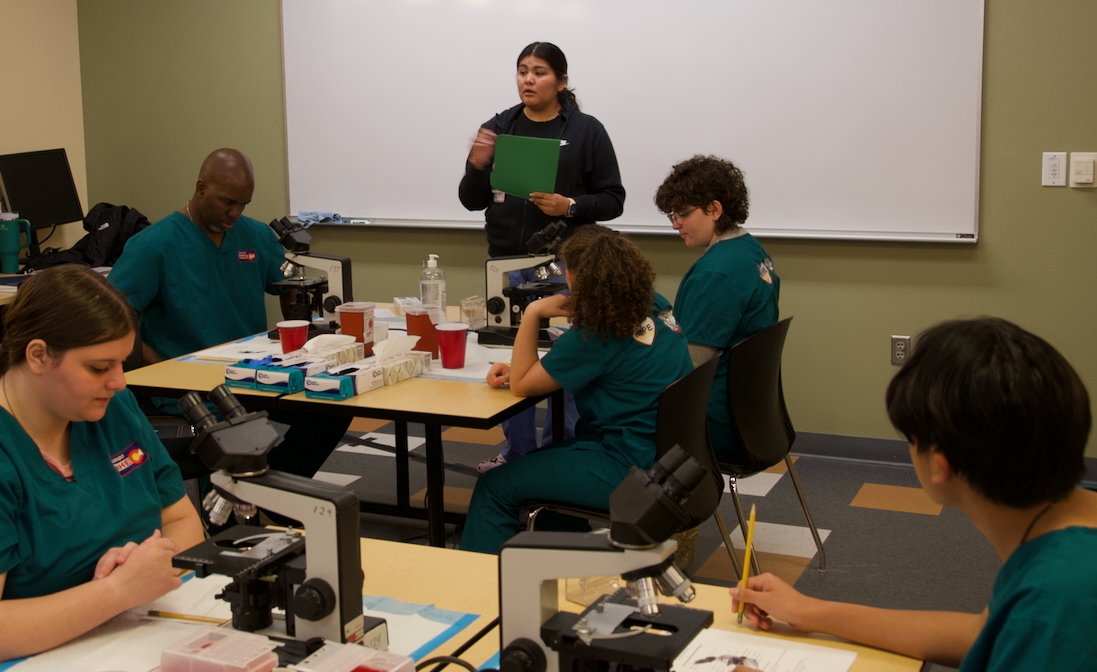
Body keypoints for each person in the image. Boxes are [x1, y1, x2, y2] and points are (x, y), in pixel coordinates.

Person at [0, 265, 204, 672]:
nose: (119, 381)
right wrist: (119, 590)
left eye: (122, 362)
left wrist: (147, 570)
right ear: (38, 355)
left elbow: (182, 521)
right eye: (99, 367)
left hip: (105, 637)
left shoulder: (110, 411)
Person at [729, 317, 1097, 671]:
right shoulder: (1065, 538)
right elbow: (984, 634)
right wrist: (809, 612)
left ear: (939, 464)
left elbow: (1026, 630)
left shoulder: (1052, 606)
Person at [109, 148, 350, 478]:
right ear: (201, 187)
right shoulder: (154, 245)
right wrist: (162, 370)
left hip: (253, 375)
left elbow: (291, 284)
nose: (234, 213)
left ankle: (274, 486)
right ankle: (244, 487)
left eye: (243, 204)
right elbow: (113, 316)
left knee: (331, 408)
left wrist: (299, 339)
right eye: (227, 202)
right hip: (192, 387)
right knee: (231, 435)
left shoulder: (256, 235)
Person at [460, 226, 693, 554]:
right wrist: (528, 372)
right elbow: (604, 366)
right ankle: (566, 562)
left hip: (629, 466)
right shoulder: (655, 304)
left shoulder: (595, 332)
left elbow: (524, 386)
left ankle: (479, 581)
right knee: (542, 464)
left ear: (574, 276)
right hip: (672, 457)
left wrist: (533, 312)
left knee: (494, 485)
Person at [458, 41, 626, 472]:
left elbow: (613, 199)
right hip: (505, 265)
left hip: (564, 267)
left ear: (561, 81)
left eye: (539, 72)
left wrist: (570, 206)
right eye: (522, 71)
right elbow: (471, 200)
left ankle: (559, 455)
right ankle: (517, 452)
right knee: (513, 360)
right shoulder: (499, 126)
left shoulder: (586, 130)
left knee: (564, 364)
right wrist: (477, 166)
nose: (528, 80)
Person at [653, 154, 778, 463]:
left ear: (714, 209)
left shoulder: (715, 274)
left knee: (609, 410)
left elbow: (686, 371)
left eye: (683, 213)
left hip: (714, 418)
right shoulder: (751, 251)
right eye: (671, 215)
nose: (675, 224)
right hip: (754, 413)